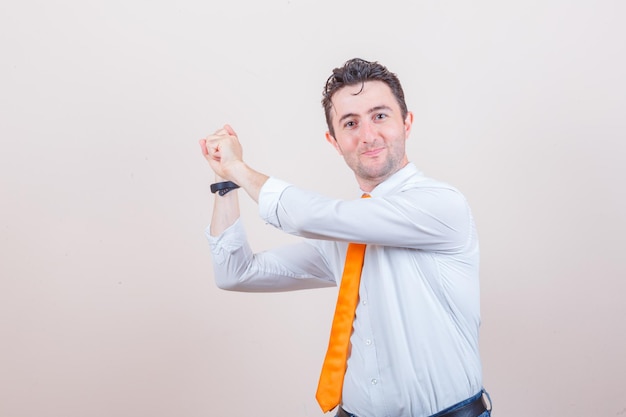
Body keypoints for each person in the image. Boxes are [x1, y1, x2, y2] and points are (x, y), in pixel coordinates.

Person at [199, 58, 491, 417]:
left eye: (380, 116)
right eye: (350, 123)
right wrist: (225, 182)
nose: (367, 135)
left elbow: (310, 216)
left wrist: (239, 169)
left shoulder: (442, 206)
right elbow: (236, 273)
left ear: (407, 123)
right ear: (334, 141)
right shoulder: (343, 238)